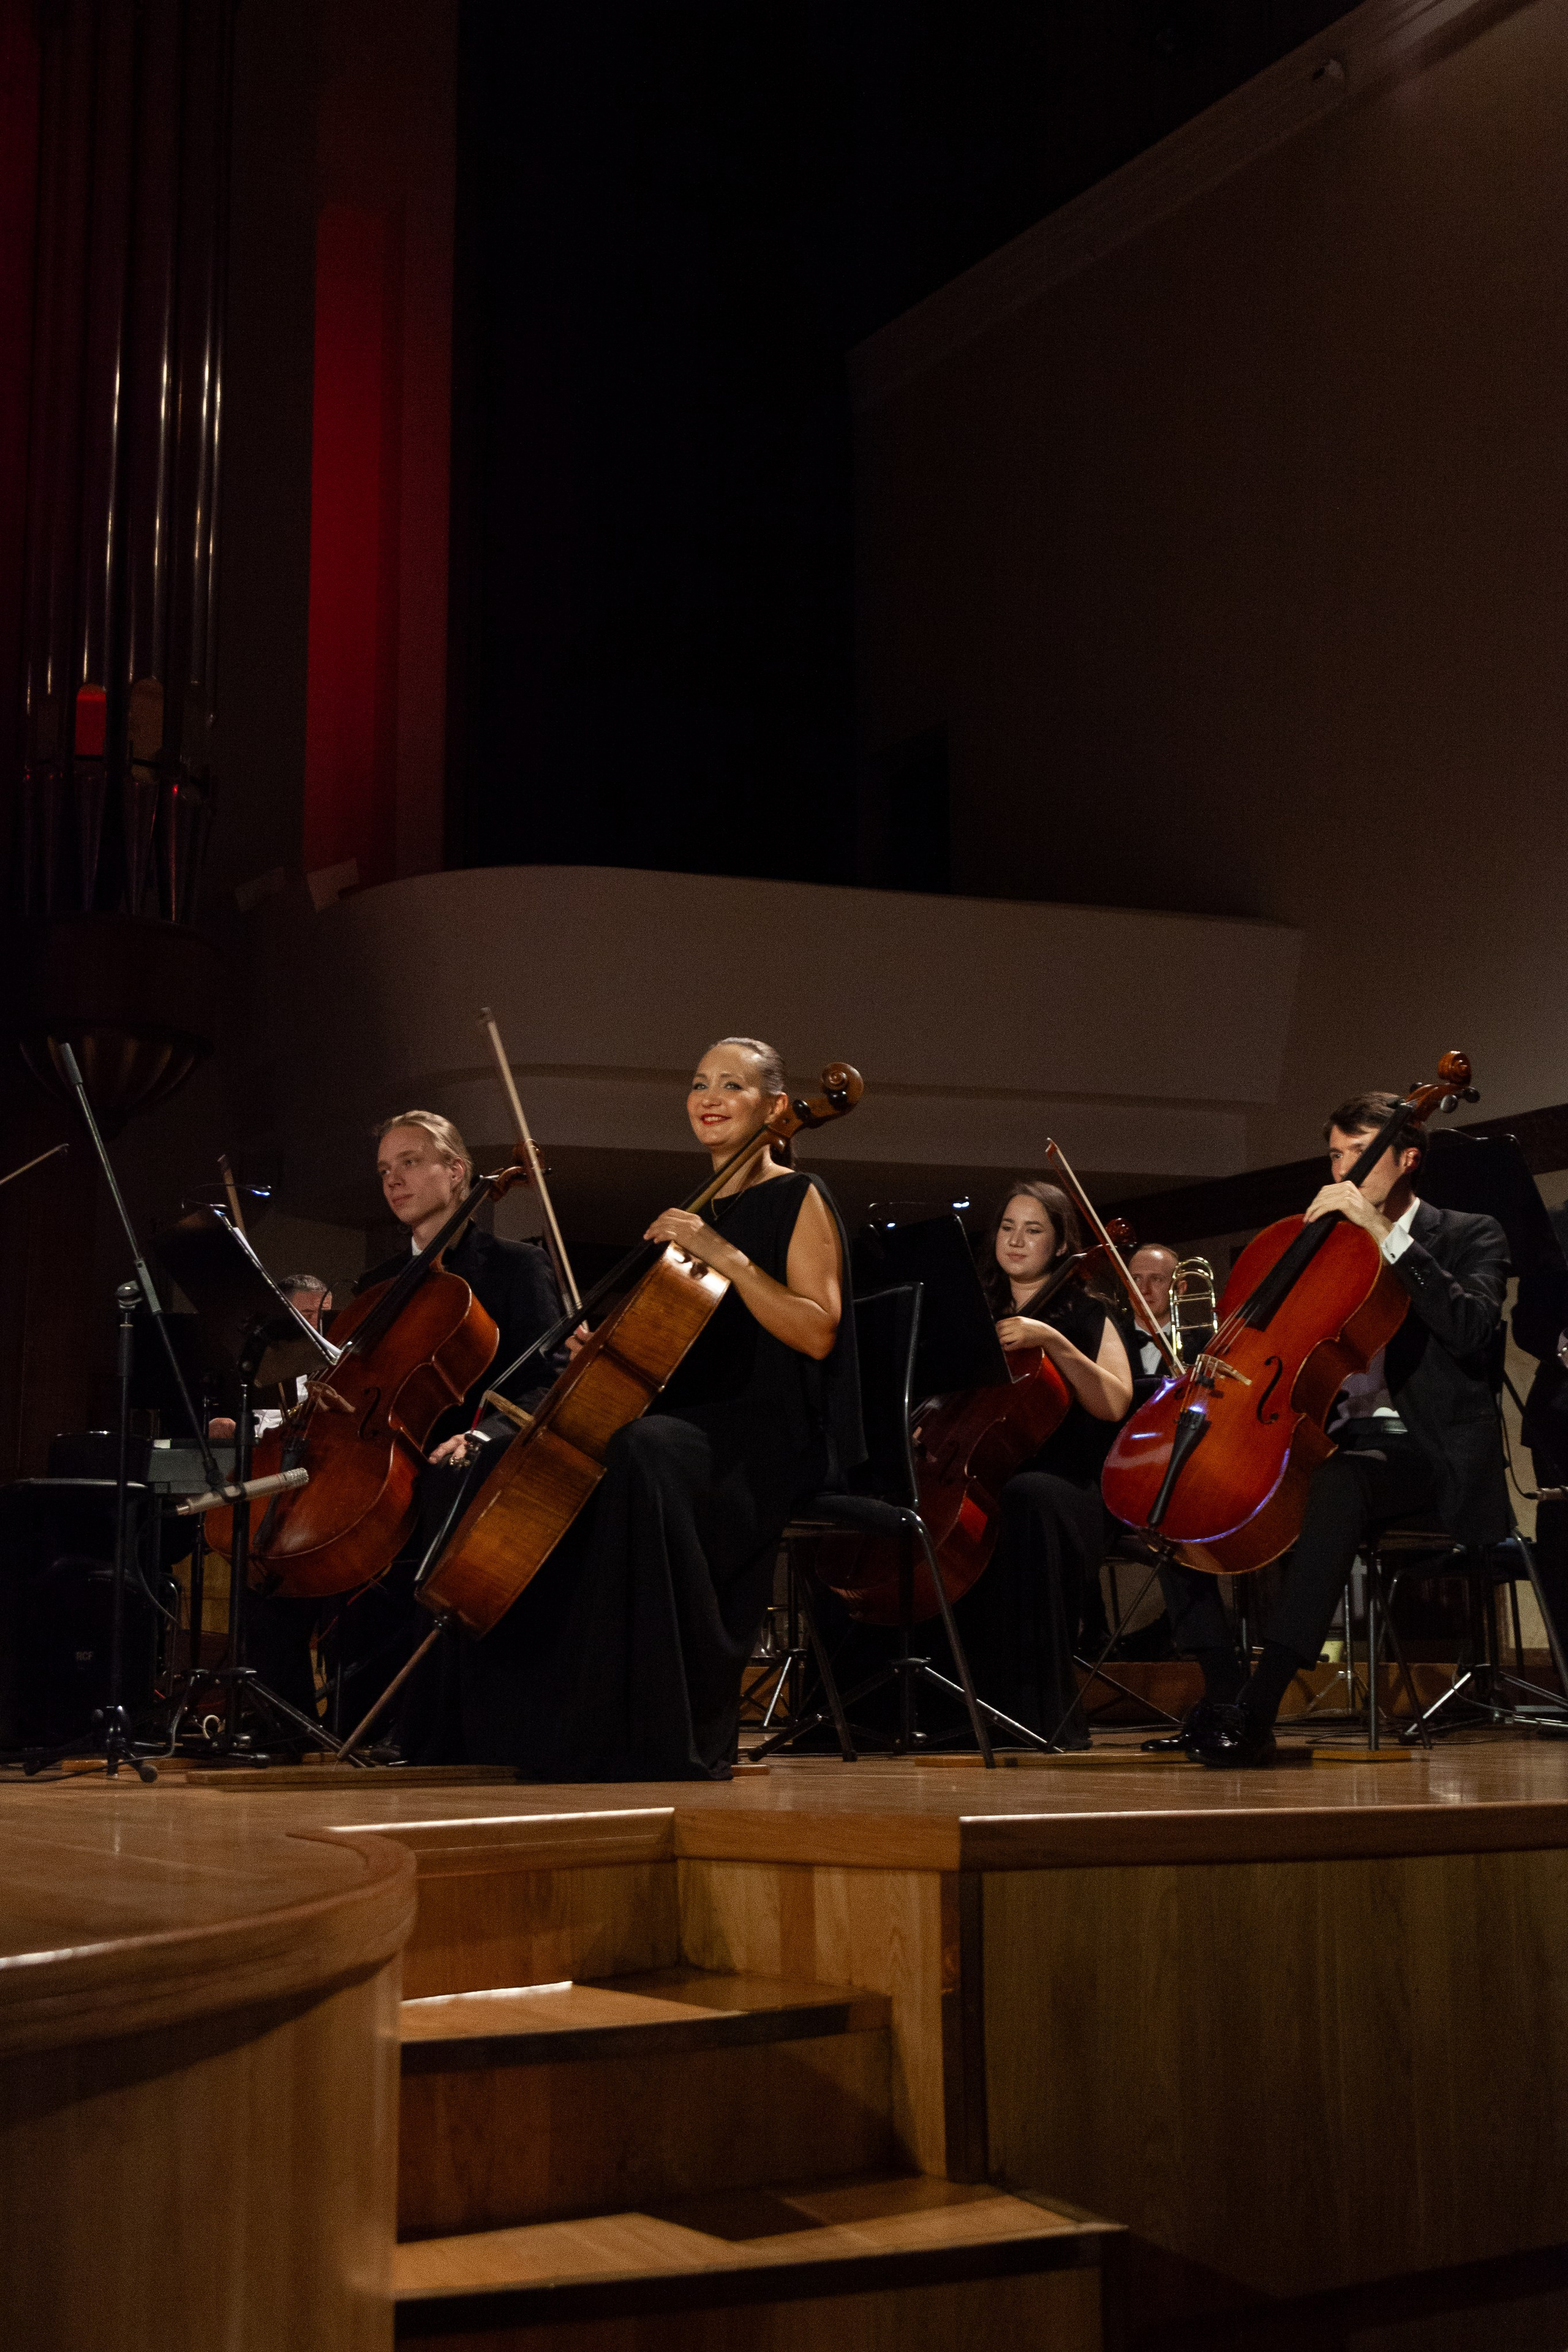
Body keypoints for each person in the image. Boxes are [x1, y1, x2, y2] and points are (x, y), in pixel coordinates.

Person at [412, 1039, 864, 1781]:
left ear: (776, 1109)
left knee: (644, 1452)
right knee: (550, 1459)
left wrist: (720, 1250)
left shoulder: (796, 1194)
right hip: (696, 1422)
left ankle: (659, 1729)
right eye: (698, 1083)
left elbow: (815, 1329)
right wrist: (606, 1344)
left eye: (732, 1085)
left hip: (768, 1427)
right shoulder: (697, 1211)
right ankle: (536, 1723)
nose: (709, 1096)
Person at [1157, 1090, 1509, 1767]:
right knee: (1182, 1490)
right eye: (1335, 1155)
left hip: (1424, 1456)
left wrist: (1381, 1233)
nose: (1342, 1169)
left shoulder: (1469, 1233)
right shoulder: (1320, 1245)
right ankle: (1225, 1692)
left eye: (1359, 1154)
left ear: (1406, 1158)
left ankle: (1260, 1706)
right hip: (1324, 1441)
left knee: (1343, 1479)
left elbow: (1469, 1328)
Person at [927, 1180, 1132, 1749]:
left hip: (1068, 1487)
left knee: (1027, 1497)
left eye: (1034, 1229)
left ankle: (1036, 1712)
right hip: (979, 1471)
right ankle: (945, 1708)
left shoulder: (1089, 1315)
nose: (1016, 1240)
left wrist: (1055, 1343)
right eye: (1008, 1228)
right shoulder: (975, 1311)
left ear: (1062, 1242)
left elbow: (1114, 1402)